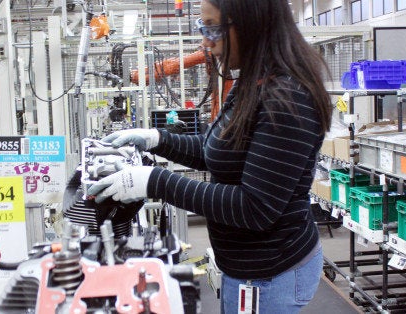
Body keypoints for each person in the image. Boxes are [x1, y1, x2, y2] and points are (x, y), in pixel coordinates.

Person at [87, 0, 333, 312]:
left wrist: (154, 182)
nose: (205, 41)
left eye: (212, 28)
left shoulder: (287, 98)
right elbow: (216, 149)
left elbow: (255, 207)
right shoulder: (251, 81)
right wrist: (155, 139)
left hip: (269, 273)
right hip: (242, 265)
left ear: (251, 23)